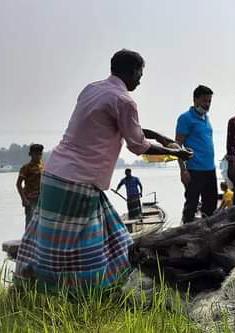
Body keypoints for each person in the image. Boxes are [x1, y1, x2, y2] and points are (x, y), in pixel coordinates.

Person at [15, 49, 192, 289]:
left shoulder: (92, 89)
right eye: (140, 73)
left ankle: (34, 285)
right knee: (74, 248)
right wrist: (175, 152)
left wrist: (162, 138)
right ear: (131, 71)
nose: (140, 79)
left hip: (56, 173)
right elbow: (138, 145)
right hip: (78, 182)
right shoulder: (124, 101)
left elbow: (131, 129)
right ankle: (78, 290)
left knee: (50, 239)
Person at [176, 85, 218, 222]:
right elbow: (177, 146)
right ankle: (186, 235)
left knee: (211, 206)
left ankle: (209, 236)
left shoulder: (206, 118)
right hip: (194, 170)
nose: (207, 104)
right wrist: (183, 170)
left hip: (210, 169)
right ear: (195, 100)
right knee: (191, 206)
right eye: (204, 101)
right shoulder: (185, 118)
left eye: (209, 101)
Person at [16, 144, 44, 226]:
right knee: (30, 222)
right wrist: (24, 199)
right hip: (30, 199)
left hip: (41, 198)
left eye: (40, 154)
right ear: (30, 154)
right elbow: (18, 184)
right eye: (36, 154)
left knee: (40, 222)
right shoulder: (26, 168)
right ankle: (28, 238)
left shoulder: (42, 166)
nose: (38, 156)